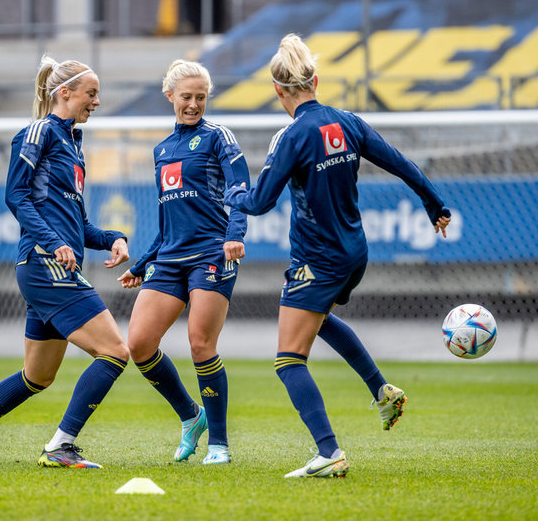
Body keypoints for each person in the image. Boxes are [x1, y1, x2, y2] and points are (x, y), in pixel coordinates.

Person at [224, 34, 452, 478]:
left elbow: (261, 201)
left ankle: (328, 452)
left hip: (319, 259)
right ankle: (381, 390)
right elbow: (401, 162)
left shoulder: (293, 136)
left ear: (278, 90)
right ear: (316, 80)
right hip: (354, 253)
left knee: (289, 359)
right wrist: (435, 204)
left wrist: (233, 193)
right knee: (318, 319)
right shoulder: (348, 121)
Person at [0, 55, 130, 468]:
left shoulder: (73, 145)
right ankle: (60, 445)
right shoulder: (39, 131)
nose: (96, 102)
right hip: (46, 265)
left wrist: (112, 238)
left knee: (37, 376)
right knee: (115, 351)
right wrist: (53, 241)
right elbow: (15, 195)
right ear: (65, 93)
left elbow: (79, 226)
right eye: (91, 94)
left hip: (53, 264)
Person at [118, 60, 250, 465]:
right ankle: (191, 417)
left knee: (200, 344)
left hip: (212, 252)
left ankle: (219, 444)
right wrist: (143, 264)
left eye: (201, 97)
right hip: (170, 259)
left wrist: (235, 234)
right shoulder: (161, 150)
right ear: (170, 97)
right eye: (186, 97)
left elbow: (241, 187)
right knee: (139, 344)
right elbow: (166, 219)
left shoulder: (217, 137)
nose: (193, 105)